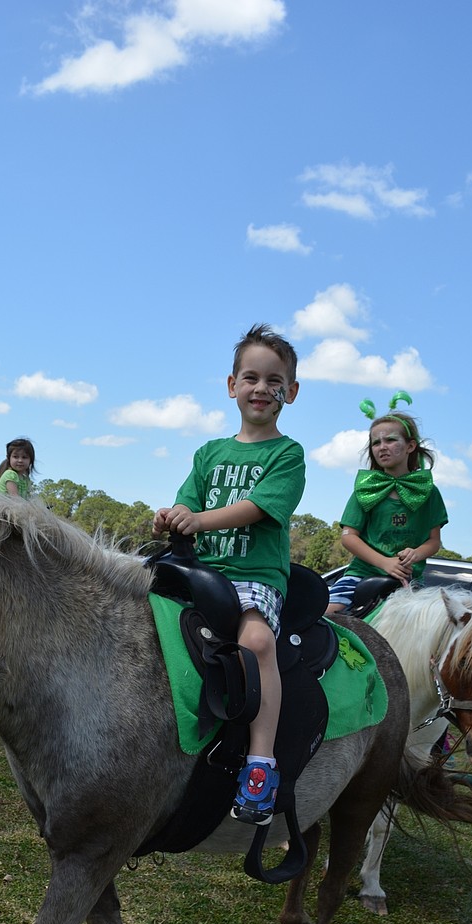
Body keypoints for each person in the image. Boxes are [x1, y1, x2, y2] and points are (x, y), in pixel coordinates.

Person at [153, 323, 305, 826]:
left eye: (274, 380)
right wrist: (173, 515)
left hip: (252, 574)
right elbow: (188, 499)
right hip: (202, 570)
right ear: (231, 385)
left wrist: (199, 520)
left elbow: (257, 508)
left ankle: (261, 764)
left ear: (292, 391)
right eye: (251, 377)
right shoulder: (208, 453)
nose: (261, 388)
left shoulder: (287, 454)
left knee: (258, 642)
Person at [325, 393, 448, 616]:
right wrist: (384, 562)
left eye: (391, 440)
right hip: (361, 574)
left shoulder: (429, 493)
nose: (382, 447)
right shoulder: (367, 488)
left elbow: (434, 541)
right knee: (325, 615)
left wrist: (416, 553)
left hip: (408, 582)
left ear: (410, 446)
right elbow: (348, 536)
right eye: (376, 442)